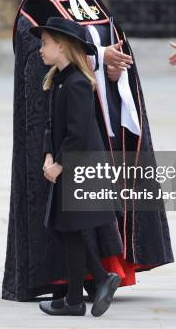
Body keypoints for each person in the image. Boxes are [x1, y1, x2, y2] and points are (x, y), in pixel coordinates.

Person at [6, 0, 173, 302]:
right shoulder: (36, 5)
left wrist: (117, 67)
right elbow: (40, 59)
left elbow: (116, 47)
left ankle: (107, 269)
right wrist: (99, 57)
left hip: (105, 109)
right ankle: (76, 276)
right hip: (68, 114)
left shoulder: (92, 2)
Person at [31, 17, 122, 317]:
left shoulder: (78, 83)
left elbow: (78, 133)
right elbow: (50, 126)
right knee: (65, 230)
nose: (40, 49)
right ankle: (88, 286)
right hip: (67, 165)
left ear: (61, 46)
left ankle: (80, 293)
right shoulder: (58, 80)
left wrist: (59, 164)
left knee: (68, 230)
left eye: (44, 43)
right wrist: (47, 155)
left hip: (80, 168)